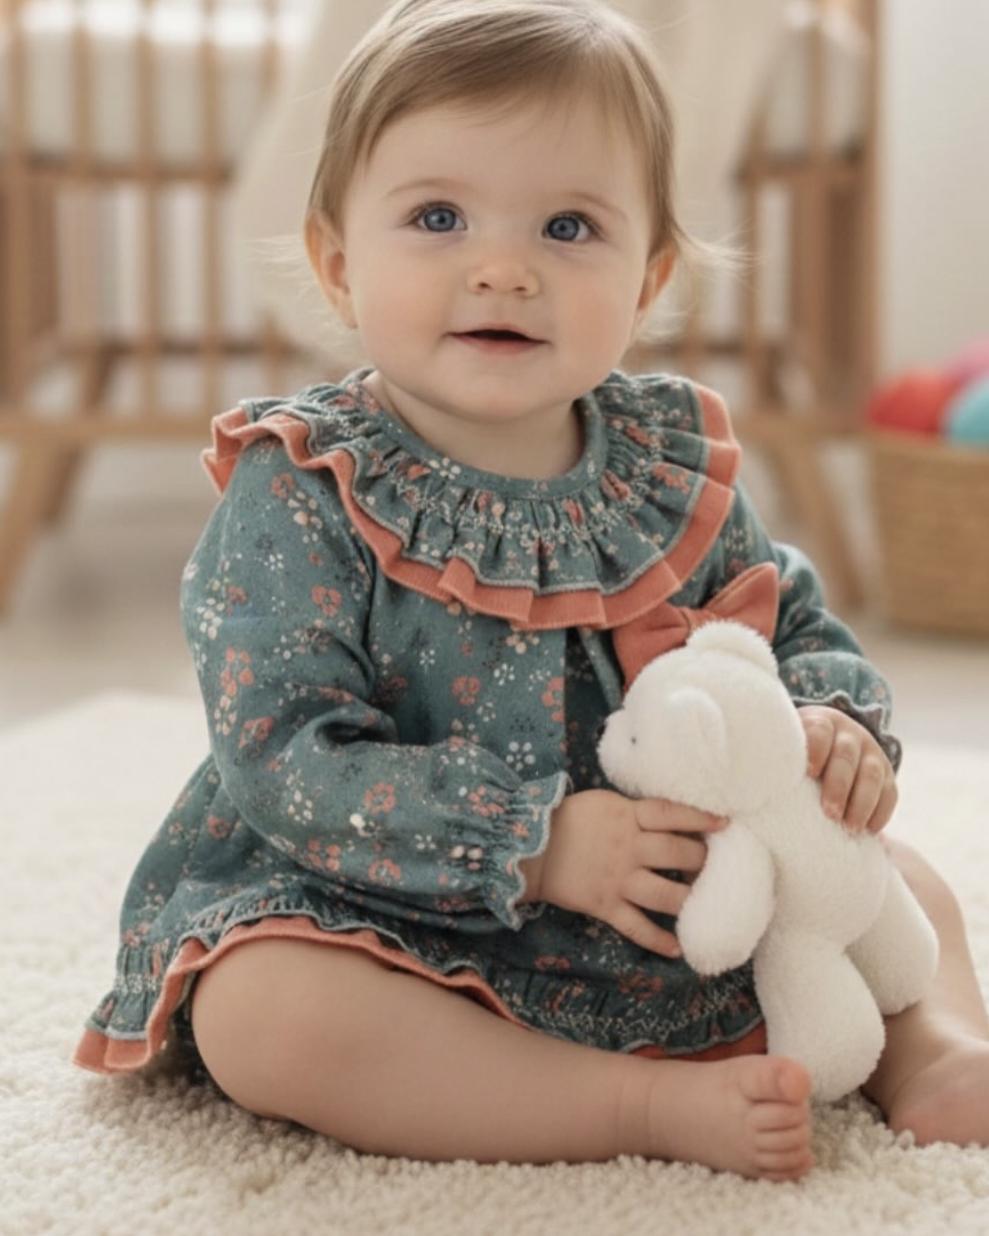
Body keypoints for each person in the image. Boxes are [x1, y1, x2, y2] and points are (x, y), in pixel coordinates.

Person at [73, 0, 989, 1181]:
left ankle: (932, 1048)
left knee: (889, 875)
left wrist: (827, 721)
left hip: (672, 901)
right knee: (266, 1017)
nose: (502, 269)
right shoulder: (300, 487)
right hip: (387, 904)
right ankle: (628, 1106)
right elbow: (281, 753)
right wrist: (532, 842)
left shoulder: (663, 465)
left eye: (567, 227)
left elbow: (781, 618)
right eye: (437, 218)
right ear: (338, 266)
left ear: (648, 279)